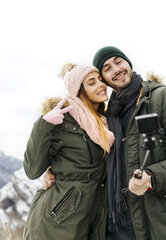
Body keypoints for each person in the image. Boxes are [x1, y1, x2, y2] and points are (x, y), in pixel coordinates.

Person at [44, 47, 166, 240]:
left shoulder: (164, 98)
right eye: (107, 67)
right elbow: (92, 164)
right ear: (104, 78)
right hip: (118, 226)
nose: (116, 69)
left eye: (118, 61)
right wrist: (56, 172)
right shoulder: (107, 119)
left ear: (128, 63)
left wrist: (151, 177)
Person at [23, 63, 115, 240]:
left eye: (101, 80)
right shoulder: (64, 122)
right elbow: (32, 170)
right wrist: (44, 125)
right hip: (56, 223)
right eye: (91, 82)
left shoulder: (105, 123)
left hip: (89, 220)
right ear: (79, 91)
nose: (101, 84)